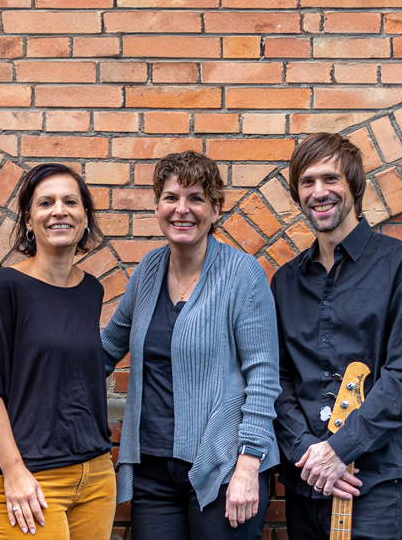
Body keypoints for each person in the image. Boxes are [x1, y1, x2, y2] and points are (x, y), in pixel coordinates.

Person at [102, 150, 281, 540]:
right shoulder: (148, 271)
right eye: (171, 197)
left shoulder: (242, 274)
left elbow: (264, 377)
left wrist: (248, 464)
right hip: (153, 472)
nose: (182, 209)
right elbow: (105, 350)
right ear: (157, 206)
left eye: (196, 198)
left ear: (215, 210)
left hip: (224, 467)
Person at [271, 133, 402, 540]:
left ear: (355, 186)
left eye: (330, 179)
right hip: (305, 479)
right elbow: (277, 378)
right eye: (307, 182)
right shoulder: (286, 281)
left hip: (372, 481)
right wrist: (308, 453)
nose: (318, 192)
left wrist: (339, 450)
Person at [0, 164, 115, 540]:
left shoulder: (91, 290)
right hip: (27, 478)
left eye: (70, 202)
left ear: (85, 218)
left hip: (95, 477)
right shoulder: (5, 287)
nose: (59, 211)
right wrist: (14, 471)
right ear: (29, 221)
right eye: (46, 203)